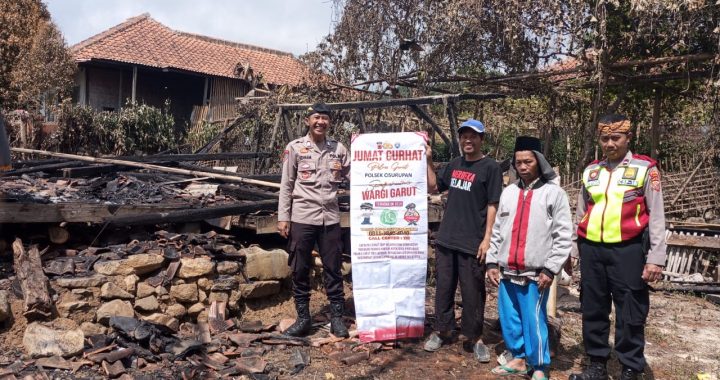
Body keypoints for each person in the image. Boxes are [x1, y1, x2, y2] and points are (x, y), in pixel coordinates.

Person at [569, 114, 666, 380]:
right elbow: (581, 213)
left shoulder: (646, 169)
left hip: (628, 250)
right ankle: (596, 364)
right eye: (605, 138)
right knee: (593, 307)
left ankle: (631, 368)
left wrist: (656, 257)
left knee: (630, 310)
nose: (610, 143)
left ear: (628, 138)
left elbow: (656, 215)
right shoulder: (591, 171)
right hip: (592, 250)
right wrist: (574, 250)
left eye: (616, 138)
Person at [486, 136, 573, 380]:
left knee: (534, 320)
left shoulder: (553, 194)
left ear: (539, 161)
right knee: (510, 318)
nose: (523, 167)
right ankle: (518, 359)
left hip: (536, 273)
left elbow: (563, 234)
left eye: (528, 161)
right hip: (507, 270)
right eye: (519, 162)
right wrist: (492, 262)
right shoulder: (509, 193)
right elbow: (497, 230)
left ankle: (539, 366)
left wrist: (551, 268)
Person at [424, 119, 503, 362]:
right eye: (464, 136)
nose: (468, 140)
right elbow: (434, 186)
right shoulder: (454, 164)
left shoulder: (490, 168)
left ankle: (474, 337)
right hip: (447, 238)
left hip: (472, 241)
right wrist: (428, 159)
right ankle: (442, 330)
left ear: (481, 139)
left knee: (473, 291)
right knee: (444, 289)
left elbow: (493, 204)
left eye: (473, 136)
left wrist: (487, 238)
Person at [277, 102, 350, 338]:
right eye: (316, 117)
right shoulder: (295, 148)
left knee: (333, 268)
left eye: (325, 118)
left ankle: (337, 318)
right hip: (302, 218)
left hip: (329, 218)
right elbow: (286, 185)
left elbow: (357, 175)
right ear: (308, 120)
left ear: (330, 122)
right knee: (299, 269)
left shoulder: (338, 149)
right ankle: (303, 319)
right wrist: (283, 218)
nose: (320, 122)